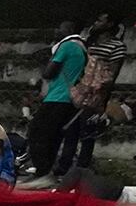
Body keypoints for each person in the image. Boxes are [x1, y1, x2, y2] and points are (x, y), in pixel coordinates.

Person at [54, 15, 126, 179]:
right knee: (70, 131)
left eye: (100, 20)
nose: (96, 23)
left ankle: (81, 169)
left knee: (87, 133)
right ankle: (64, 167)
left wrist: (101, 95)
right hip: (79, 90)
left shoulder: (117, 46)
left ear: (110, 24)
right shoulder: (89, 42)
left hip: (96, 93)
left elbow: (112, 73)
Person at [20, 20, 88, 181]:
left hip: (57, 97)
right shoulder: (82, 48)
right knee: (53, 136)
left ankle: (42, 171)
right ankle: (46, 172)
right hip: (69, 98)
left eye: (61, 28)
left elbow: (48, 73)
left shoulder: (66, 46)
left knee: (36, 132)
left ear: (70, 29)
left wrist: (44, 63)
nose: (58, 31)